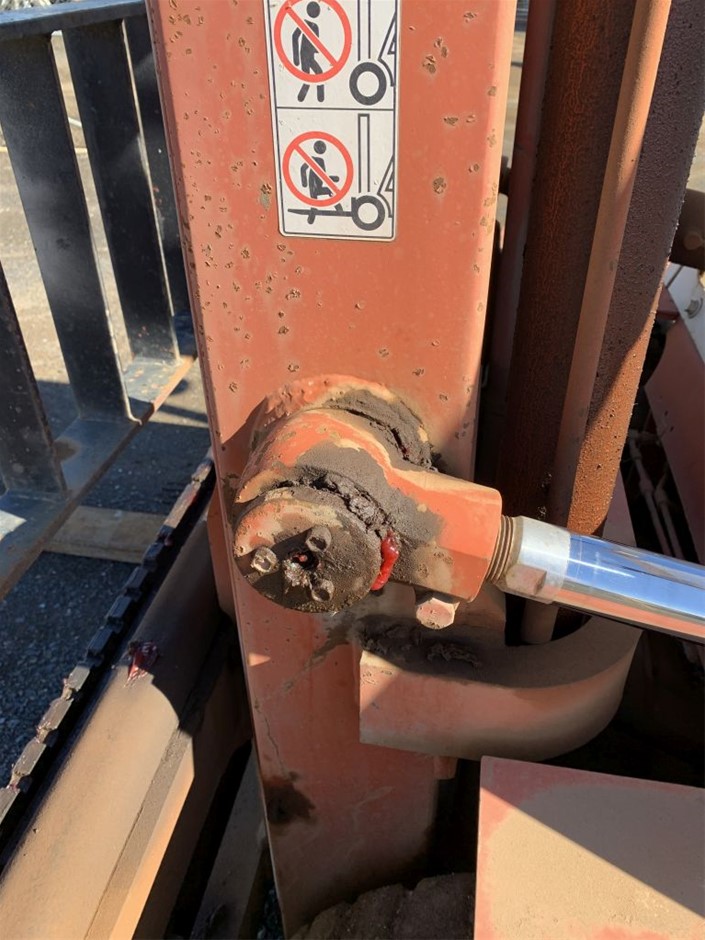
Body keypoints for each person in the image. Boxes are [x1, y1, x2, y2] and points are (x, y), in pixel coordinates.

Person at [292, 2, 325, 103]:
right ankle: (301, 98)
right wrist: (296, 57)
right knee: (309, 78)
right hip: (304, 55)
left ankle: (320, 98)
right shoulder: (304, 23)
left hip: (311, 56)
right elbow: (294, 36)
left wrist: (316, 51)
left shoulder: (315, 26)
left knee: (318, 74)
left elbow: (316, 43)